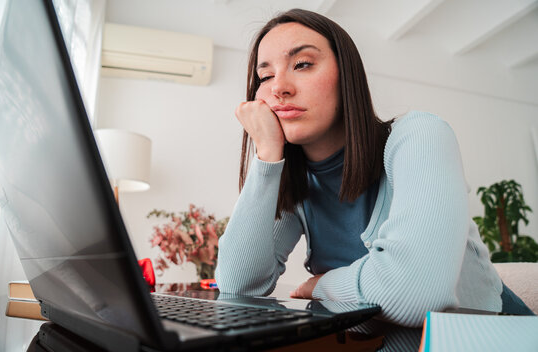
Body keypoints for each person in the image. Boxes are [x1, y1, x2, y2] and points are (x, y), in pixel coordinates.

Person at [214, 8, 534, 328]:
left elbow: (414, 294)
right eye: (265, 75)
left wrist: (322, 285)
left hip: (493, 338)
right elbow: (238, 288)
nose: (278, 87)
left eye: (302, 64)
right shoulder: (294, 179)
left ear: (347, 76)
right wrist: (267, 156)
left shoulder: (419, 135)